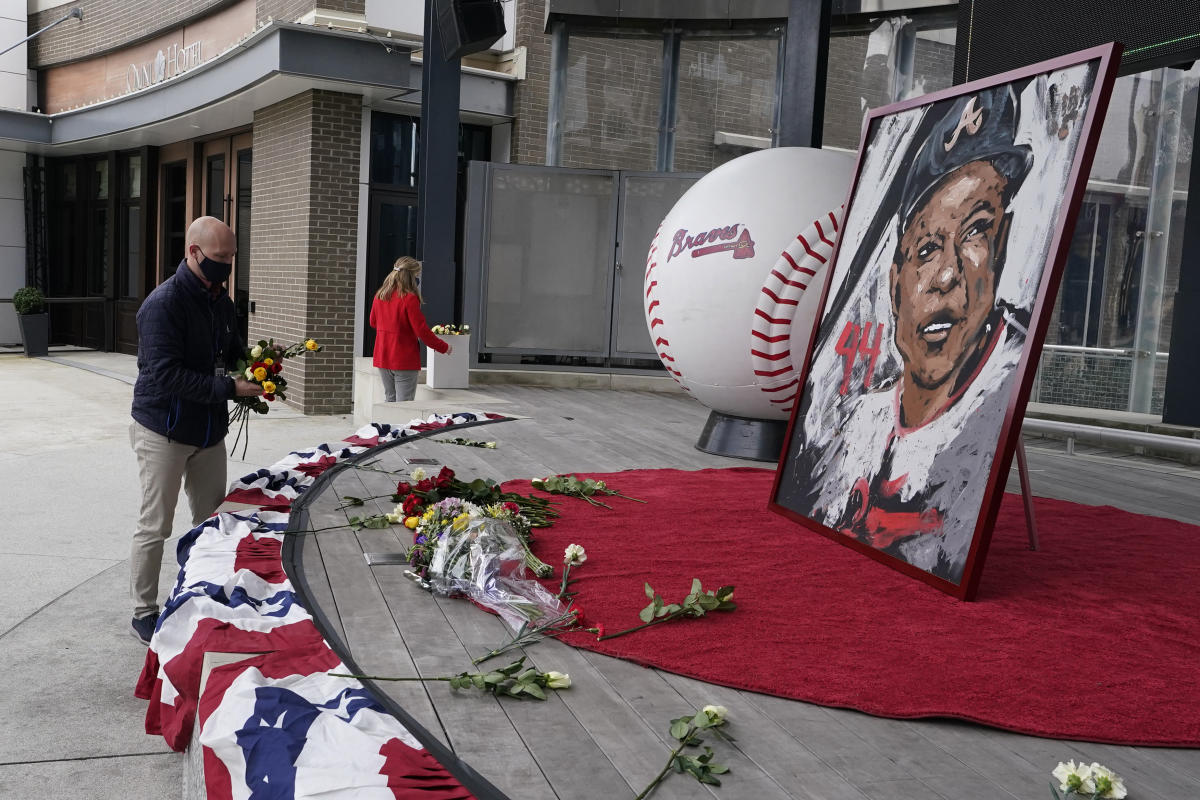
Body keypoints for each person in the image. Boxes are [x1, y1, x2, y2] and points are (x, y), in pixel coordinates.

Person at [786, 86, 1034, 583]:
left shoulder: (1001, 386)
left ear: (1002, 245)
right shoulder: (861, 420)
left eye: (976, 233)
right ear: (895, 284)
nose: (947, 275)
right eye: (925, 250)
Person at [128, 216, 263, 644]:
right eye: (220, 257)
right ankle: (144, 611)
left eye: (231, 257)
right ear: (193, 252)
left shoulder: (220, 300)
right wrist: (228, 387)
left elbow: (234, 349)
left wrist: (257, 371)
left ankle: (198, 593)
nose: (227, 265)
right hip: (163, 430)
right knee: (156, 525)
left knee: (211, 522)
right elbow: (166, 374)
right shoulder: (162, 305)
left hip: (208, 431)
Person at [369, 257, 450, 402]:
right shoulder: (409, 298)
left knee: (390, 401)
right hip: (403, 358)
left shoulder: (380, 295)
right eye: (417, 275)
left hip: (383, 356)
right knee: (404, 405)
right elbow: (422, 331)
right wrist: (443, 347)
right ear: (412, 276)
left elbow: (373, 322)